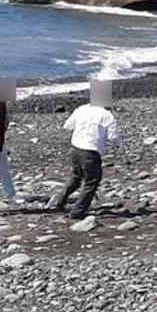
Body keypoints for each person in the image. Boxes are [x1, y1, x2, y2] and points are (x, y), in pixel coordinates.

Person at [53, 80, 122, 219]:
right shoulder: (106, 115)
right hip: (90, 151)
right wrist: (117, 145)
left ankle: (59, 202)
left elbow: (67, 126)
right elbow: (114, 136)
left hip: (75, 147)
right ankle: (78, 211)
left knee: (75, 177)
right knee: (92, 181)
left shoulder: (82, 109)